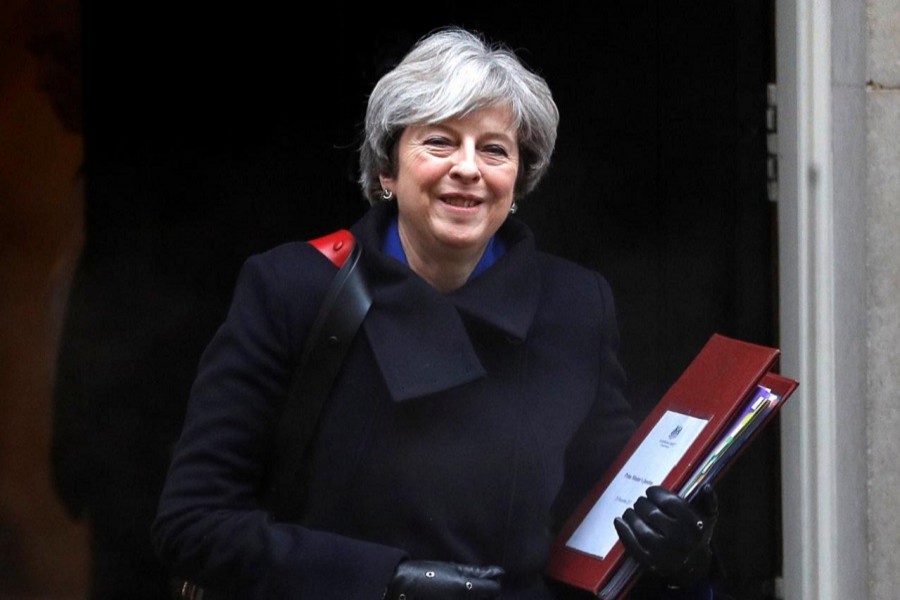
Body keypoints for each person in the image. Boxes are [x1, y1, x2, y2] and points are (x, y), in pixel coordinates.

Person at [152, 26, 721, 599]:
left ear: (517, 181)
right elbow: (193, 523)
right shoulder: (294, 289)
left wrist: (680, 552)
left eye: (494, 149)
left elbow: (602, 514)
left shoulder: (575, 305)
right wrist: (390, 582)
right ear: (387, 172)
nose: (468, 167)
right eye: (440, 142)